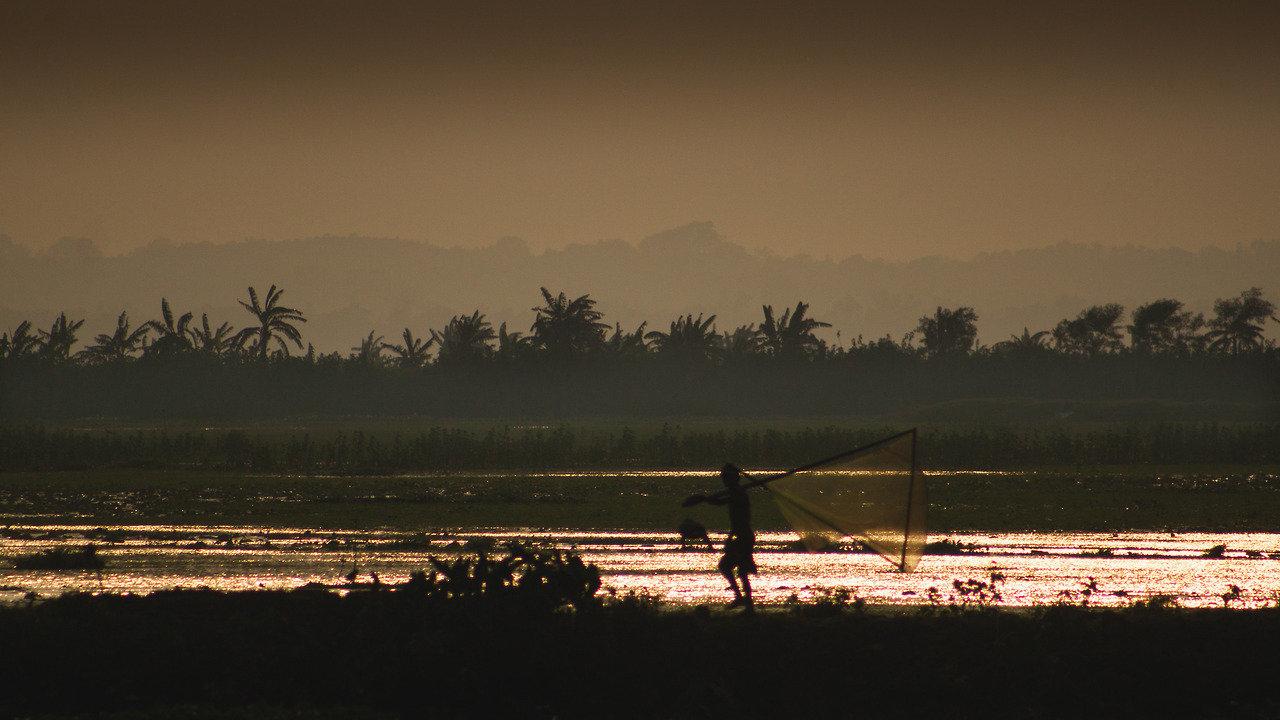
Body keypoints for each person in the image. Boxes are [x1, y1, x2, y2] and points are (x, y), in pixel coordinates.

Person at [685, 463, 756, 612]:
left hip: (744, 537)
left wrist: (705, 499)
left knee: (732, 568)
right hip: (742, 536)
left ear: (732, 479)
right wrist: (705, 498)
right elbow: (721, 502)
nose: (724, 481)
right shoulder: (735, 493)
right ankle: (744, 602)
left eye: (726, 478)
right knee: (735, 569)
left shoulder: (738, 494)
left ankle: (745, 603)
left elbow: (735, 515)